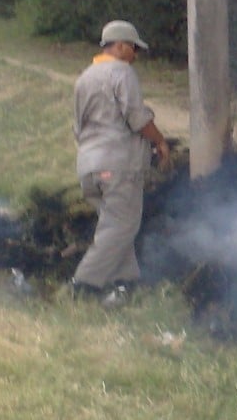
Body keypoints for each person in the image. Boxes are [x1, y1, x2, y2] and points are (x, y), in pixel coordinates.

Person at [70, 20, 171, 309]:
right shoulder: (122, 72)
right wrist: (160, 142)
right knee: (121, 226)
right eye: (134, 49)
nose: (135, 55)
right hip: (117, 166)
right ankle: (83, 286)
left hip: (89, 168)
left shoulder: (84, 78)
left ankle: (126, 284)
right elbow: (137, 118)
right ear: (121, 46)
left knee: (117, 226)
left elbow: (77, 128)